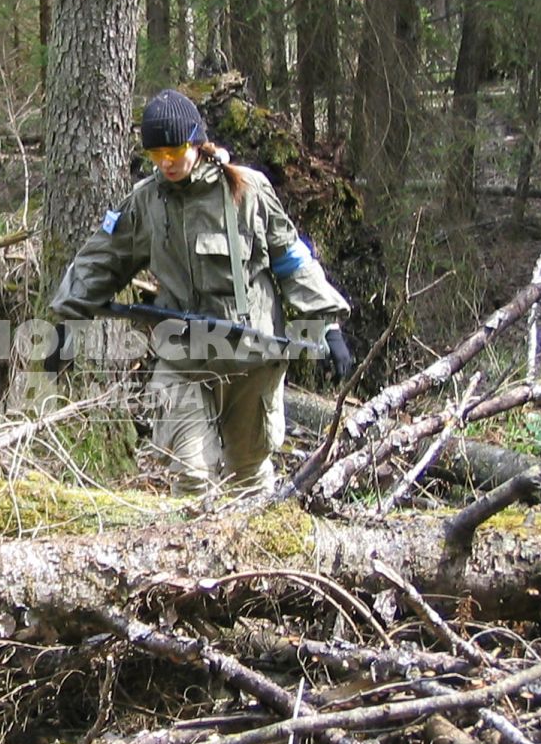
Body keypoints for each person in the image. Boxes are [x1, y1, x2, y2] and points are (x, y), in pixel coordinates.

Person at [49, 88, 354, 494]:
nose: (166, 163)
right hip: (183, 356)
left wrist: (327, 325)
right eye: (156, 155)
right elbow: (100, 260)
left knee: (248, 476)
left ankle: (254, 557)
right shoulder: (145, 203)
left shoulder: (248, 190)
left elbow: (291, 259)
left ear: (196, 141)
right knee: (189, 474)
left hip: (252, 355)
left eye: (174, 151)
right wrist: (65, 322)